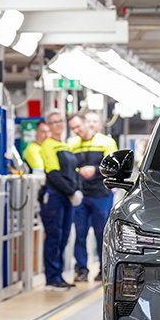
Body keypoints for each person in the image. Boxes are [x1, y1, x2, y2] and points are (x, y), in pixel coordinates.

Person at [68, 112, 118, 282]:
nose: (76, 131)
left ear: (86, 123)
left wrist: (95, 170)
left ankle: (104, 269)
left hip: (101, 194)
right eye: (73, 128)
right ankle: (81, 270)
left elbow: (114, 167)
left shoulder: (106, 142)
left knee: (102, 233)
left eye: (78, 126)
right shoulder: (72, 144)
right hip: (81, 195)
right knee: (80, 233)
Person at [40, 110, 82, 291]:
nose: (58, 124)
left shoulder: (66, 146)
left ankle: (59, 276)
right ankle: (52, 278)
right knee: (54, 238)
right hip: (55, 197)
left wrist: (77, 189)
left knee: (64, 237)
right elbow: (53, 173)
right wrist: (71, 191)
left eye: (60, 121)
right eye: (54, 122)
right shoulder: (48, 145)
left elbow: (75, 171)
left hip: (68, 198)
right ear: (49, 126)